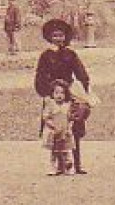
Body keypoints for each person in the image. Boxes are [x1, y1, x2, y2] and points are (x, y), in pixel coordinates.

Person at [33, 18, 92, 174]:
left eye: (61, 35)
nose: (58, 39)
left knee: (73, 129)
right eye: (55, 36)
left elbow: (82, 74)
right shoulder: (46, 56)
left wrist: (82, 91)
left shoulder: (71, 54)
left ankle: (77, 164)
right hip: (54, 97)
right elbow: (39, 77)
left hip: (69, 95)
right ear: (50, 37)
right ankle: (58, 164)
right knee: (55, 130)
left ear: (66, 37)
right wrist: (46, 94)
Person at [40, 80, 76, 176]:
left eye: (62, 93)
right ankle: (53, 168)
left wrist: (69, 128)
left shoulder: (67, 106)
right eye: (56, 93)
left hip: (65, 131)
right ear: (52, 93)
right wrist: (51, 125)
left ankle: (69, 168)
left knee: (67, 151)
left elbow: (70, 118)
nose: (59, 95)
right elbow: (46, 117)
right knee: (54, 152)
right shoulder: (50, 105)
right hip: (54, 131)